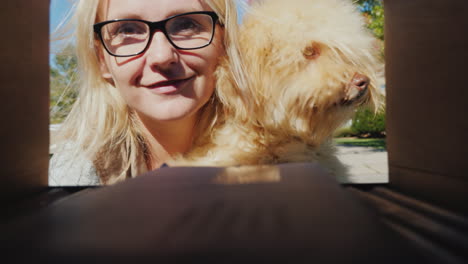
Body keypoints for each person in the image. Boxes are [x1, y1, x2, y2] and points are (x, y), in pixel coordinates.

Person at [49, 0, 244, 186]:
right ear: (102, 60)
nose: (162, 56)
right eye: (127, 30)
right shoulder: (79, 172)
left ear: (224, 41)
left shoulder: (269, 162)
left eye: (186, 25)